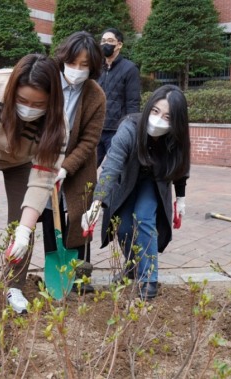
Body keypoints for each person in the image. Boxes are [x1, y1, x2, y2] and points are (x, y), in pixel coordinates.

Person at [0, 54, 67, 314]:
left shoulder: (58, 125)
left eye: (38, 104)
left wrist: (25, 231)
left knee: (20, 222)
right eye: (22, 100)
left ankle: (14, 284)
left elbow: (42, 180)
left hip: (23, 161)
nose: (29, 108)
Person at [81, 85, 190, 301]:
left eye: (167, 117)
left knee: (143, 218)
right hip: (127, 180)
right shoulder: (130, 128)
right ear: (148, 108)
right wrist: (96, 203)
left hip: (153, 182)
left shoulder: (176, 138)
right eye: (155, 111)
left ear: (176, 122)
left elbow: (181, 167)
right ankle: (133, 267)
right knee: (122, 228)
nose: (158, 120)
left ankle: (149, 279)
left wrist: (181, 197)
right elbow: (111, 166)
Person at [40, 31, 105, 294]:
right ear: (63, 58)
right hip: (44, 159)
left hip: (78, 165)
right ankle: (55, 272)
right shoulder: (47, 81)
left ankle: (78, 275)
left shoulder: (95, 94)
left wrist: (66, 168)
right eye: (72, 62)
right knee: (47, 212)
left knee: (79, 215)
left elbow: (90, 141)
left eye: (84, 65)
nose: (77, 70)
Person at [96, 27, 141, 167]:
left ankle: (111, 190)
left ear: (119, 45)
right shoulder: (96, 68)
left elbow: (133, 103)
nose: (105, 44)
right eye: (103, 41)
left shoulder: (129, 69)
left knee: (114, 172)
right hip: (96, 130)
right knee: (87, 172)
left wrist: (129, 131)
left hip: (116, 132)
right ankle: (88, 190)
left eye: (110, 41)